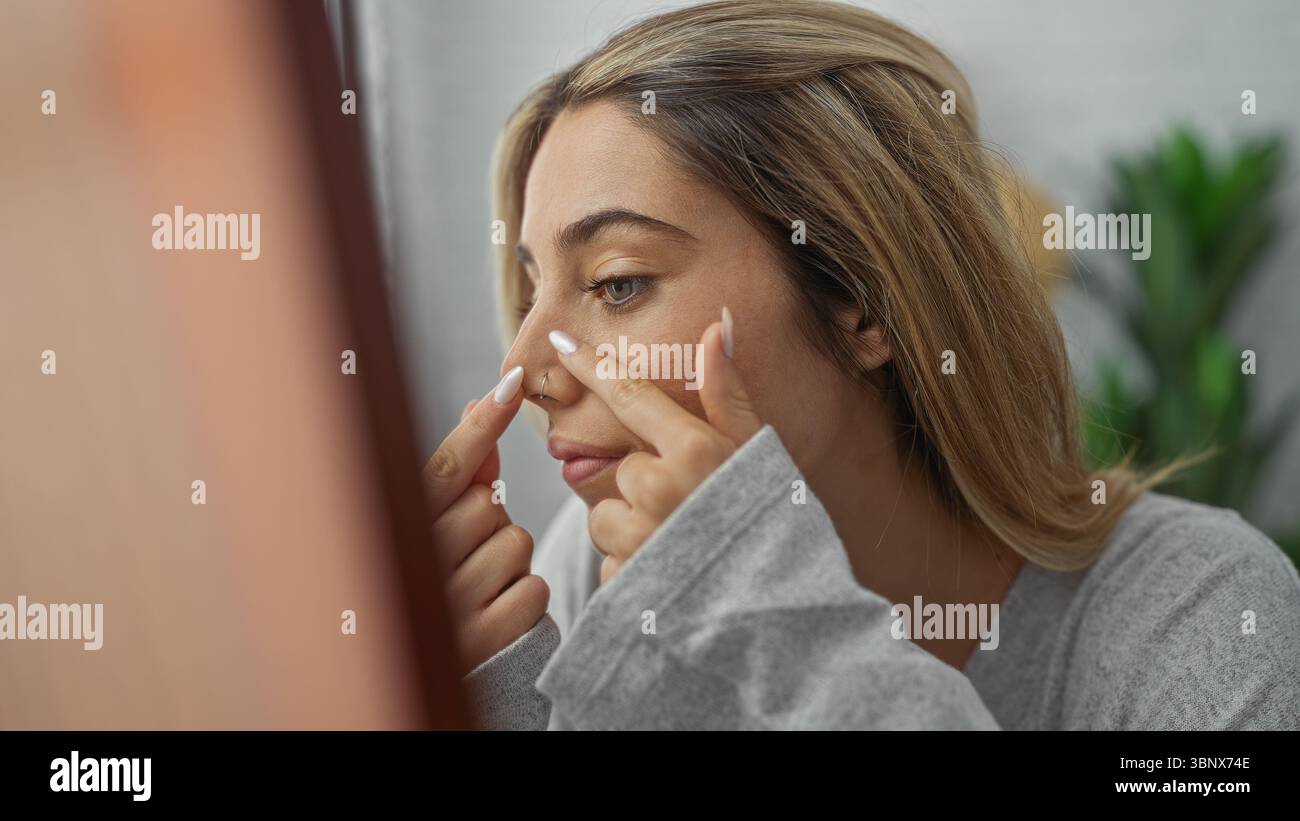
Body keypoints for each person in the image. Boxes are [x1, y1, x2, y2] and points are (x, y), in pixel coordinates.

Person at [422, 0, 1300, 729]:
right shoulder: (590, 572)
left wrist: (772, 620)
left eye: (617, 283)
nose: (529, 364)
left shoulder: (1201, 612)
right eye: (535, 286)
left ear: (863, 300)